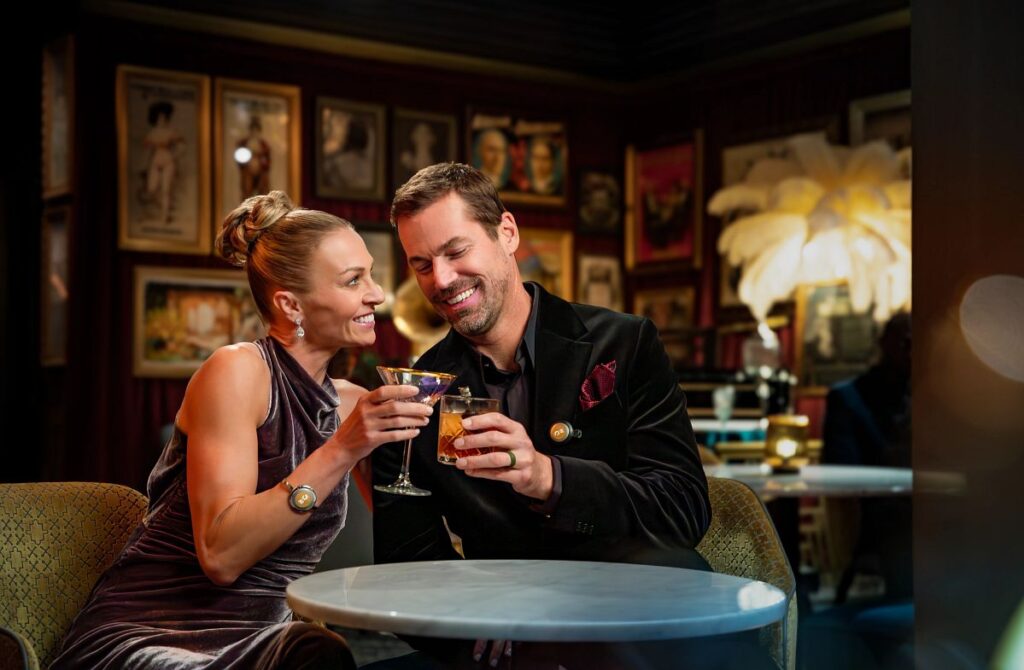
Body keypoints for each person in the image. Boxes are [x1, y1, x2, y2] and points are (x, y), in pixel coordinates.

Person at [51, 191, 433, 670]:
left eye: (371, 274)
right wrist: (342, 449)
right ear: (291, 304)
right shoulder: (236, 372)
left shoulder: (354, 404)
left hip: (264, 646)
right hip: (150, 636)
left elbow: (415, 531)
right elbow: (221, 555)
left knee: (326, 652)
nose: (377, 294)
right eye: (353, 280)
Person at [373, 164, 732, 669]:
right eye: (422, 263)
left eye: (456, 251)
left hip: (624, 617)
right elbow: (403, 566)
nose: (442, 279)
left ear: (507, 232)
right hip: (497, 643)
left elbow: (682, 510)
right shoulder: (414, 390)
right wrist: (476, 624)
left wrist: (549, 477)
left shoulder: (625, 344)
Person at [142, 100, 184, 224]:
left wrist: (175, 156)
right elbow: (146, 146)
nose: (162, 119)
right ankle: (165, 209)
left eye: (164, 117)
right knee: (152, 188)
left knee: (166, 189)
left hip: (168, 160)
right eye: (160, 117)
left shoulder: (171, 132)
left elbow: (182, 146)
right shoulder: (153, 132)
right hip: (156, 160)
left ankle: (164, 216)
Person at [238, 115, 271, 198]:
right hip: (248, 171)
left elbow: (267, 159)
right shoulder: (244, 142)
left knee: (262, 192)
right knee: (247, 192)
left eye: (256, 130)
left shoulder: (263, 144)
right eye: (253, 130)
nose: (254, 132)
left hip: (260, 172)